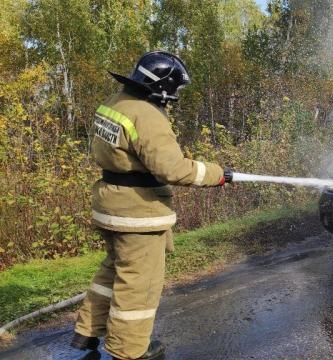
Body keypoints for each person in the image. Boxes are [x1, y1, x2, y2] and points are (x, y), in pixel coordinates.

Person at [69, 51, 232, 360]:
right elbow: (173, 169)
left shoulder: (115, 103)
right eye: (176, 89)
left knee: (113, 270)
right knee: (139, 284)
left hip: (110, 202)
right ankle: (129, 351)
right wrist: (216, 174)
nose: (176, 96)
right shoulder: (147, 116)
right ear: (162, 85)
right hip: (136, 213)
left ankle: (87, 331)